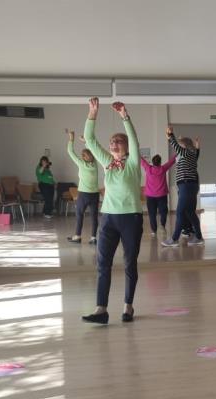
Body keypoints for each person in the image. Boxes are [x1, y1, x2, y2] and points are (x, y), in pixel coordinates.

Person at [80, 97, 143, 325]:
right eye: (112, 141)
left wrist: (125, 117)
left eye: (118, 141)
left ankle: (128, 305)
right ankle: (101, 309)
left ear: (125, 146)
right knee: (102, 263)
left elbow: (135, 141)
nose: (114, 144)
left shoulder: (134, 163)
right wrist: (92, 114)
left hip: (131, 219)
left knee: (129, 263)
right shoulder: (107, 162)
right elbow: (89, 139)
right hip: (108, 219)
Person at [161, 126, 204, 247]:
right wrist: (197, 146)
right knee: (190, 212)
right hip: (188, 186)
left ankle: (174, 239)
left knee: (180, 212)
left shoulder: (186, 153)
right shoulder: (192, 154)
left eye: (180, 146)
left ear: (184, 146)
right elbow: (196, 152)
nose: (177, 149)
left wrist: (170, 136)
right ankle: (199, 237)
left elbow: (176, 145)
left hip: (187, 185)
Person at [66, 130, 100, 244]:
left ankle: (77, 236)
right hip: (95, 194)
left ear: (83, 157)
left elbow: (70, 152)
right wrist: (85, 142)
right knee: (94, 216)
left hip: (84, 194)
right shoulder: (95, 164)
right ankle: (93, 238)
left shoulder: (81, 163)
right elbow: (94, 152)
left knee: (80, 215)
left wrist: (71, 139)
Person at [141, 149, 177, 236]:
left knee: (152, 214)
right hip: (162, 195)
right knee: (163, 212)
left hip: (150, 196)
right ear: (160, 162)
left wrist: (133, 149)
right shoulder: (163, 168)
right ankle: (162, 225)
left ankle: (154, 230)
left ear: (152, 162)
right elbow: (172, 161)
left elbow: (141, 160)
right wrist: (178, 151)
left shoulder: (148, 168)